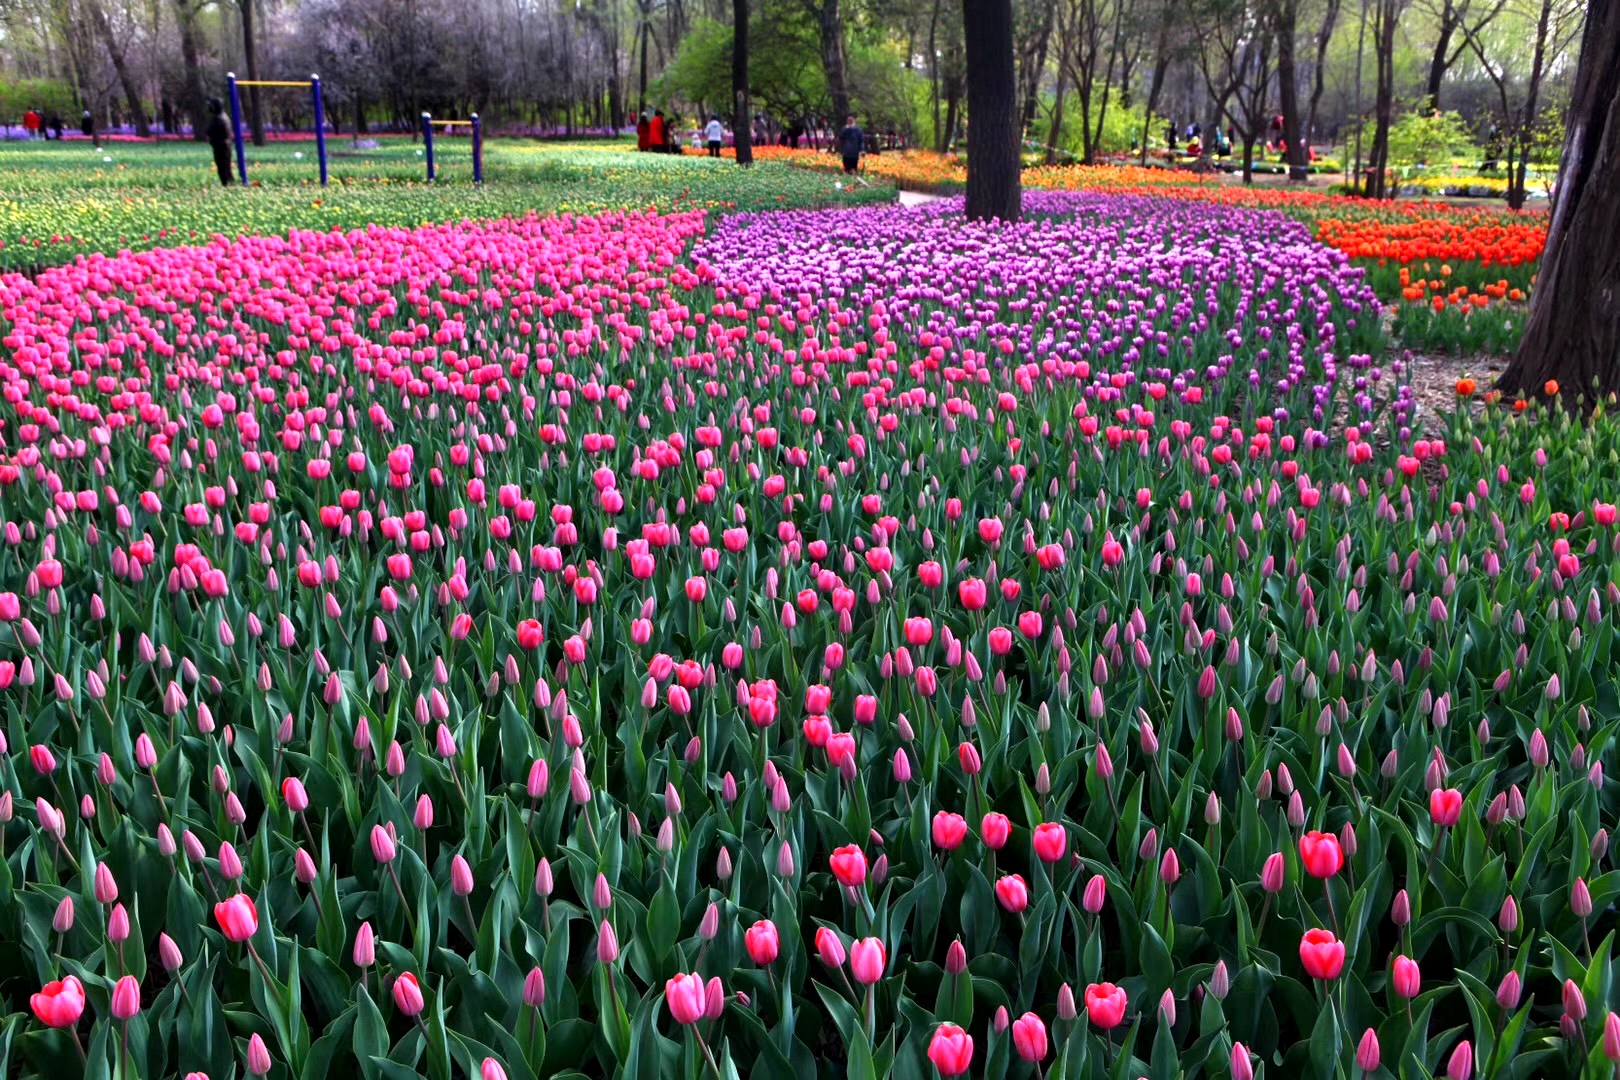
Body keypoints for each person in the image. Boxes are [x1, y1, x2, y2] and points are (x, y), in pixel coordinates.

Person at [205, 99, 233, 187]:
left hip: (220, 145)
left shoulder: (218, 119)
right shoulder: (223, 116)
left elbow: (209, 130)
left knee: (222, 166)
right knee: (226, 165)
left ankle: (225, 183)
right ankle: (229, 181)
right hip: (224, 144)